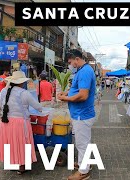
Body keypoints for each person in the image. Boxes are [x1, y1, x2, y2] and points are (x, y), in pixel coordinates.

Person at [58, 49, 96, 180]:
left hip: (82, 114)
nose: (70, 65)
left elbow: (83, 95)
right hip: (81, 113)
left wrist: (65, 99)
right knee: (84, 142)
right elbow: (76, 90)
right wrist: (67, 93)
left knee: (82, 144)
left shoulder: (85, 71)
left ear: (76, 59)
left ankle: (83, 172)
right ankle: (83, 164)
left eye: (70, 62)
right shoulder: (82, 70)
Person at [0, 71, 43, 175]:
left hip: (5, 122)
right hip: (20, 123)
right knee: (22, 144)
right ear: (21, 83)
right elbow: (38, 107)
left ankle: (11, 163)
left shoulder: (3, 91)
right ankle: (21, 167)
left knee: (9, 143)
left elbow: (1, 106)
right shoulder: (24, 93)